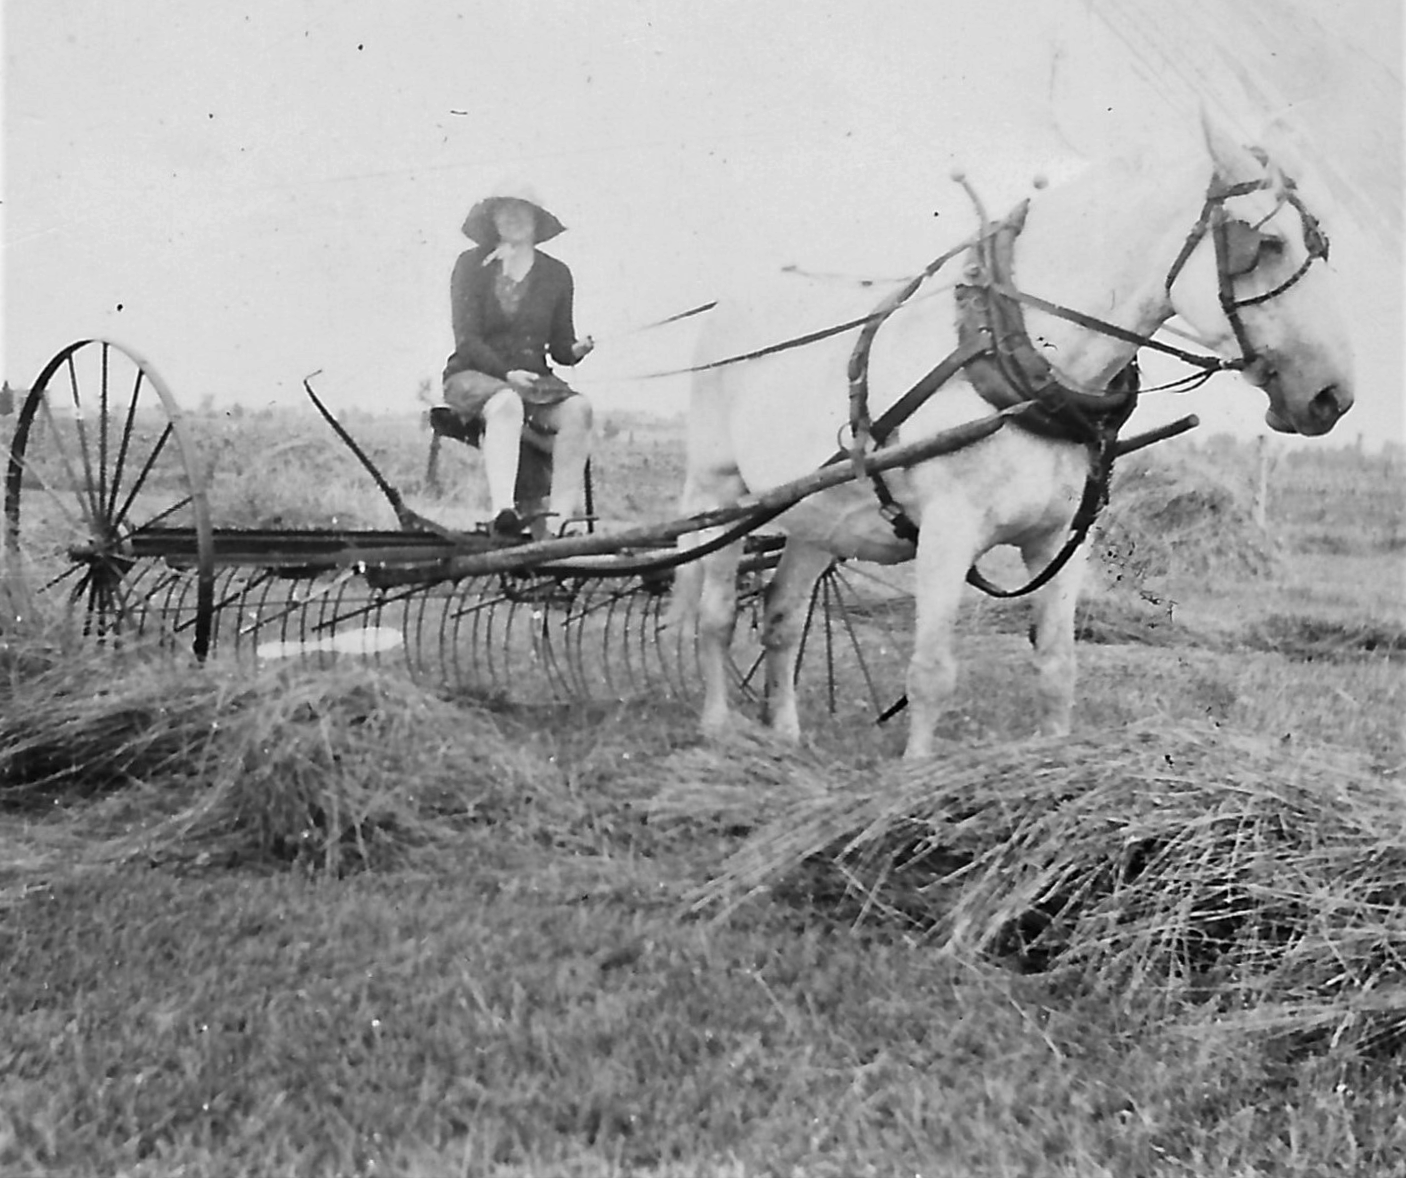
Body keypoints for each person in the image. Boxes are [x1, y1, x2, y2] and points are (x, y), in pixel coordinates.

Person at [442, 181, 595, 537]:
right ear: (492, 220)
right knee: (507, 402)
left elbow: (559, 346)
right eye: (503, 210)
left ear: (536, 221)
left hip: (534, 383)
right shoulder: (470, 265)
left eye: (521, 210)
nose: (512, 218)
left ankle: (560, 525)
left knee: (580, 410)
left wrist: (575, 350)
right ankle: (503, 514)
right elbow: (466, 339)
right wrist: (507, 374)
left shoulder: (557, 274)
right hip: (473, 375)